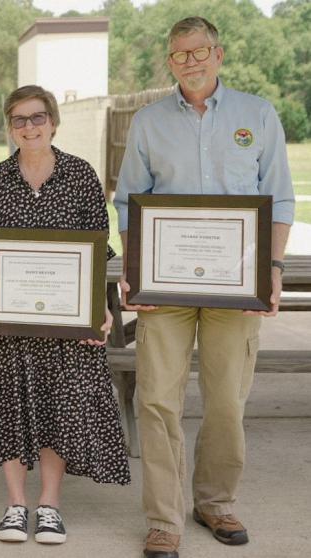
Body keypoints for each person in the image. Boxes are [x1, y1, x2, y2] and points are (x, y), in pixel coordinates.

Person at [113, 17, 294, 558]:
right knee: (158, 401)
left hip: (235, 287)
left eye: (199, 52)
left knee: (226, 402)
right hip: (163, 290)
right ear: (170, 62)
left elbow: (279, 198)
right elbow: (128, 201)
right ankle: (163, 518)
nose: (190, 62)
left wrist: (275, 268)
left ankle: (215, 501)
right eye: (178, 55)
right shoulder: (148, 122)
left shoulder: (256, 115)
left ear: (219, 53)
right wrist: (135, 269)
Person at [0, 85, 131, 546]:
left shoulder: (80, 176)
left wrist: (101, 312)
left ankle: (50, 505)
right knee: (7, 404)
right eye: (19, 119)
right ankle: (16, 505)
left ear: (53, 122)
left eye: (37, 118)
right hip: (4, 323)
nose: (29, 127)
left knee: (61, 406)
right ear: (10, 127)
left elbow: (97, 251)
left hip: (64, 322)